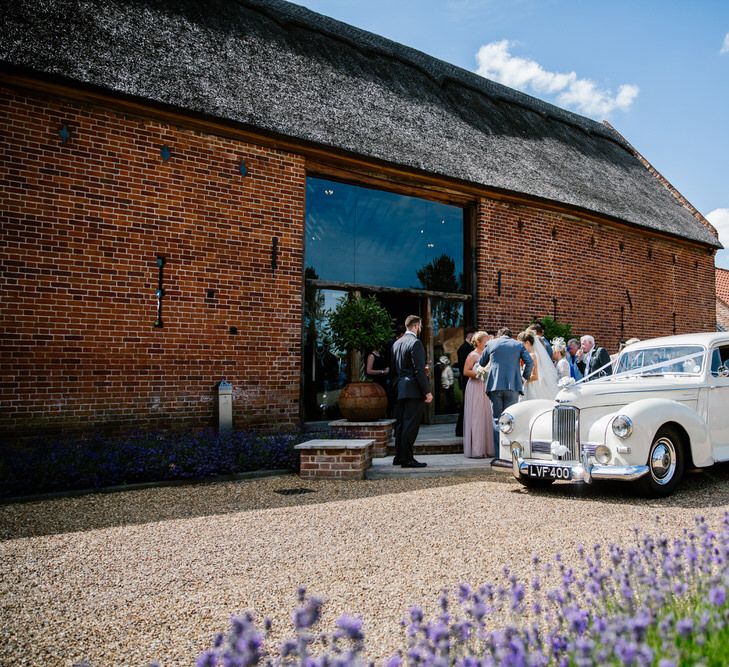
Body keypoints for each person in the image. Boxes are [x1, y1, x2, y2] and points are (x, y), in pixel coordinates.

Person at [479, 327, 533, 450]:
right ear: (510, 335)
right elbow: (529, 362)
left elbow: (482, 363)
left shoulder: (491, 343)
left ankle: (499, 454)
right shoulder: (518, 345)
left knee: (498, 420)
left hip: (495, 386)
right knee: (511, 419)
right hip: (513, 385)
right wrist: (524, 377)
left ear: (499, 335)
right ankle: (510, 454)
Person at [391, 315, 432, 467]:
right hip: (413, 389)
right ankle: (407, 459)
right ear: (416, 326)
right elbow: (418, 371)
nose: (420, 329)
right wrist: (427, 391)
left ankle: (399, 457)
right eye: (420, 326)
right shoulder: (416, 343)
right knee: (410, 425)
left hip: (400, 387)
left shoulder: (396, 343)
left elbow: (394, 368)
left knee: (401, 424)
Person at [462, 331, 495, 457]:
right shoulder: (473, 355)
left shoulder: (489, 354)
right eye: (486, 341)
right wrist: (480, 373)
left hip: (486, 387)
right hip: (475, 387)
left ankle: (488, 449)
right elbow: (465, 371)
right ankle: (477, 449)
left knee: (487, 416)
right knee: (477, 417)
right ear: (479, 342)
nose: (487, 343)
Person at [517, 330, 560, 400]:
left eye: (521, 344)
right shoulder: (534, 355)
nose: (520, 347)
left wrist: (521, 379)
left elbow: (535, 376)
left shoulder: (532, 356)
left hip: (532, 387)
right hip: (532, 385)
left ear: (527, 343)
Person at [454, 328, 475, 437]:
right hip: (466, 380)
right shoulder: (464, 348)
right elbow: (463, 367)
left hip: (470, 380)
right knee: (465, 405)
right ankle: (460, 430)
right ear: (470, 335)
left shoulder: (470, 347)